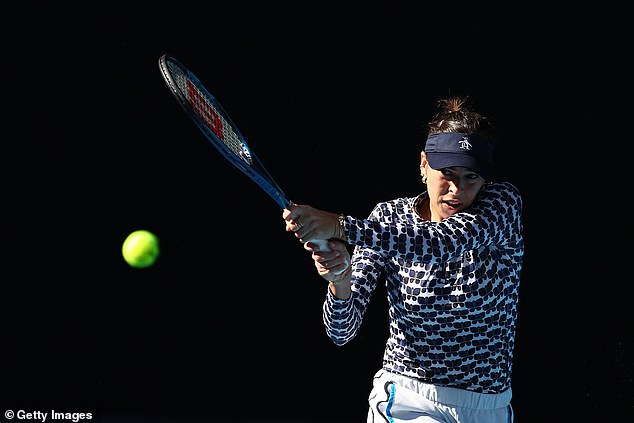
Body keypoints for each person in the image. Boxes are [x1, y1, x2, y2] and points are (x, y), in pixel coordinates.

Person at [282, 96, 524, 423]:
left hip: (491, 407)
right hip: (409, 402)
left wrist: (340, 225)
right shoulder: (388, 217)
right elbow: (342, 332)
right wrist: (340, 280)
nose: (456, 189)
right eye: (447, 172)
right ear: (424, 164)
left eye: (471, 177)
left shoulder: (501, 205)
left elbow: (443, 243)